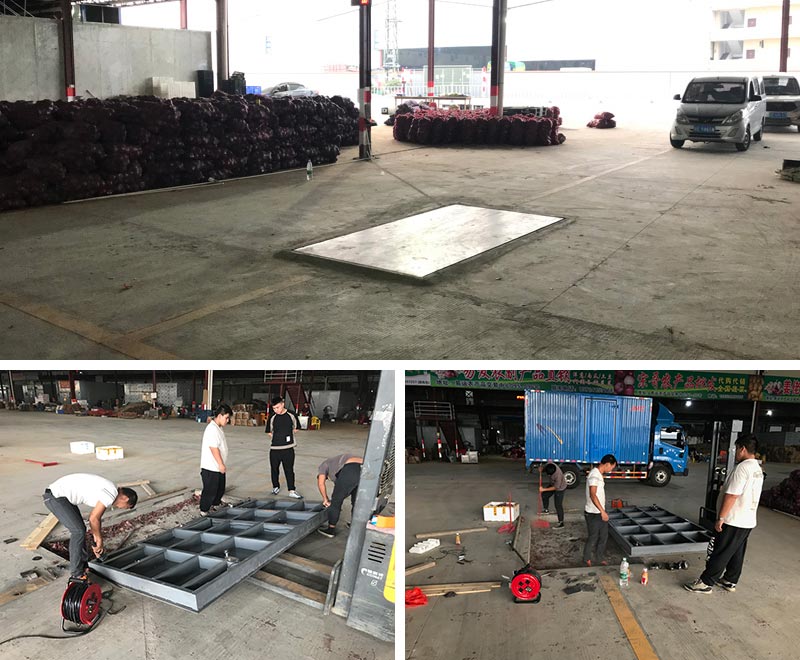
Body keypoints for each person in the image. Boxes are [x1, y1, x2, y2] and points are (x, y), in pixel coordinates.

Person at [685, 434, 764, 594]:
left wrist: (721, 518)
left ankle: (706, 583)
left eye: (736, 448)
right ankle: (730, 580)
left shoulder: (742, 468)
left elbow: (732, 495)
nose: (735, 452)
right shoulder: (757, 468)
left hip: (733, 519)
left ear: (742, 449)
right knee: (736, 551)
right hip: (747, 519)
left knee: (720, 551)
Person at [42, 474, 137, 582]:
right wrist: (99, 539)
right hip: (55, 497)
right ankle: (77, 574)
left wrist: (97, 541)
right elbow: (94, 518)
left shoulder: (110, 489)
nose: (122, 508)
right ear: (125, 498)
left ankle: (83, 565)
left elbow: (95, 521)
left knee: (80, 529)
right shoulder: (111, 494)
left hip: (61, 496)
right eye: (126, 507)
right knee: (78, 531)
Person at [316, 453, 363, 538]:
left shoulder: (323, 465)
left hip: (350, 469)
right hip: (365, 468)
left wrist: (325, 499)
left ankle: (331, 529)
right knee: (357, 502)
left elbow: (321, 483)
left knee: (336, 502)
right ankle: (355, 526)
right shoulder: (336, 463)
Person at [583, 454, 618, 567]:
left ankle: (599, 557)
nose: (611, 470)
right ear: (607, 464)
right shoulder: (594, 475)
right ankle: (586, 559)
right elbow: (593, 495)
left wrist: (602, 511)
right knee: (593, 537)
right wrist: (602, 512)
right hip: (593, 513)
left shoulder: (598, 474)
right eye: (612, 467)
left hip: (600, 511)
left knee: (603, 536)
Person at [266, 396, 302, 498]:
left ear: (283, 404)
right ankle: (275, 487)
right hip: (275, 449)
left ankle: (292, 490)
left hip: (288, 449)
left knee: (289, 470)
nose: (276, 410)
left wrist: (288, 436)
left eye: (277, 407)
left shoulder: (291, 414)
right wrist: (277, 438)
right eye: (274, 408)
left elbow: (297, 428)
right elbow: (269, 431)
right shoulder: (272, 417)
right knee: (274, 469)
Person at [199, 403, 232, 516]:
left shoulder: (218, 428)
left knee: (220, 489)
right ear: (220, 416)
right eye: (226, 418)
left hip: (217, 467)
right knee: (210, 490)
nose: (227, 420)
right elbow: (214, 448)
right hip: (211, 467)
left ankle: (213, 506)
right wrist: (220, 464)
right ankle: (204, 511)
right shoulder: (212, 429)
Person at [539, 462, 567, 528]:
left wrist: (543, 489)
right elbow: (546, 465)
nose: (549, 476)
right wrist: (541, 468)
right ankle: (546, 510)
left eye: (549, 475)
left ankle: (561, 523)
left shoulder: (558, 476)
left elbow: (556, 487)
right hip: (552, 484)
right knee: (544, 495)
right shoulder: (550, 465)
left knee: (558, 505)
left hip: (560, 488)